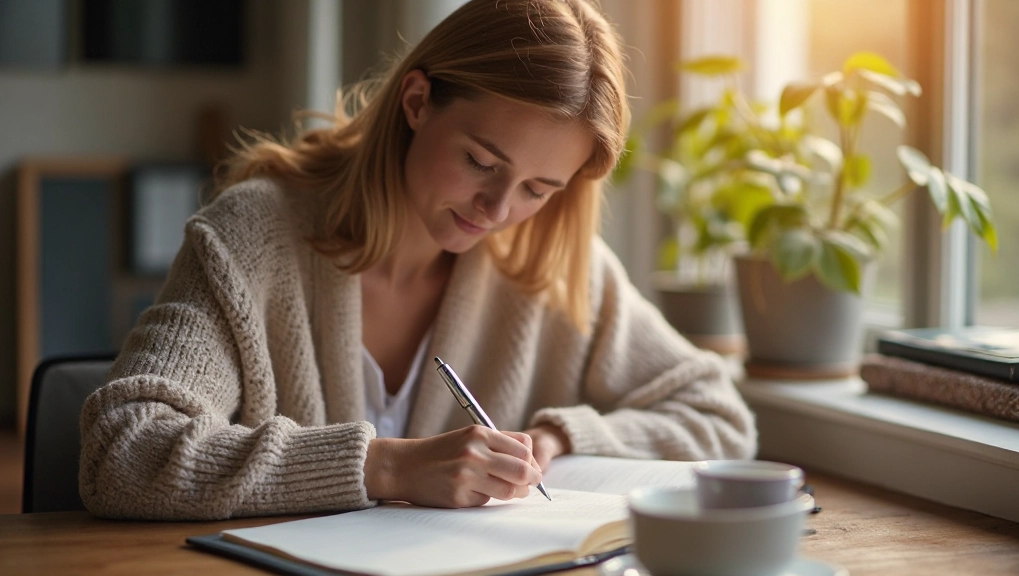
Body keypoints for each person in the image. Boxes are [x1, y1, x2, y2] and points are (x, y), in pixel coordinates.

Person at [80, 0, 757, 521]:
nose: (497, 210)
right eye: (482, 163)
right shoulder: (253, 238)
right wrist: (385, 469)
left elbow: (719, 419)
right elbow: (121, 451)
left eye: (538, 189)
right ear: (416, 101)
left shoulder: (548, 262)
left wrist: (559, 440)